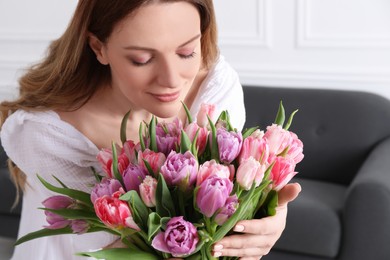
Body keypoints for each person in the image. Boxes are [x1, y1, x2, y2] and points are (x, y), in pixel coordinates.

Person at [0, 1, 301, 259]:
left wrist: (266, 215)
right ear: (98, 48)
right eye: (141, 59)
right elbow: (124, 244)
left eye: (186, 52)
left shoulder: (214, 89)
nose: (171, 80)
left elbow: (231, 193)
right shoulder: (44, 133)